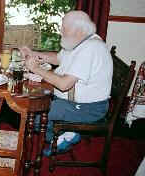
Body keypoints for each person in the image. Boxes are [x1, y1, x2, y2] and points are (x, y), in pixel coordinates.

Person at [20, 10, 113, 156]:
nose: (61, 30)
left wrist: (35, 68)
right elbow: (58, 58)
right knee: (35, 106)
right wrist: (34, 54)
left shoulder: (91, 48)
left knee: (33, 114)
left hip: (88, 109)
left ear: (79, 30)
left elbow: (64, 85)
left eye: (65, 28)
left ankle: (65, 135)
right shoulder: (80, 41)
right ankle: (67, 132)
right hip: (73, 103)